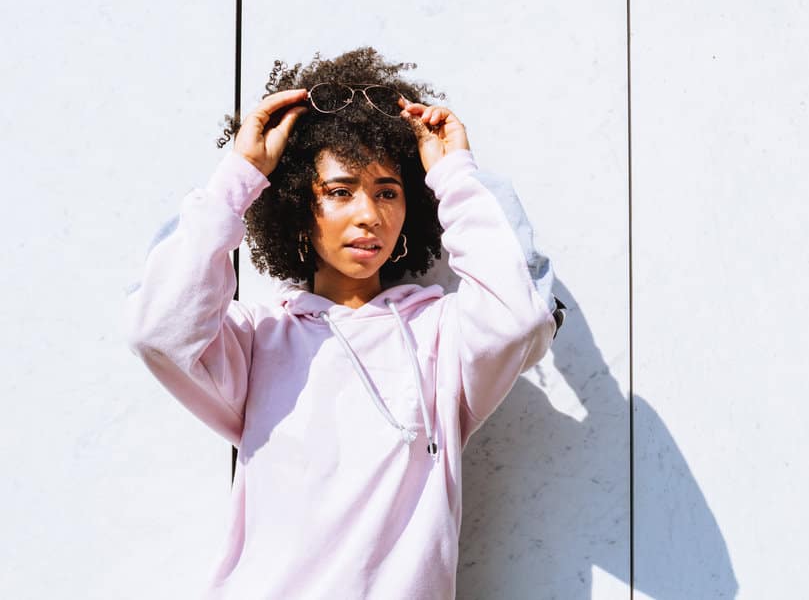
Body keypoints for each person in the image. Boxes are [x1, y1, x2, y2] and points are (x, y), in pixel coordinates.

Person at [124, 47, 563, 599]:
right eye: (339, 191)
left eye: (387, 192)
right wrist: (239, 178)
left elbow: (520, 316)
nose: (368, 213)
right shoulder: (258, 340)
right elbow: (158, 329)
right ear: (297, 213)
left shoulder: (442, 336)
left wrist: (454, 174)